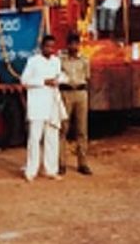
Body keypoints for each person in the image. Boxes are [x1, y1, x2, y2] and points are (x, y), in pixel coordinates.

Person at [21, 35, 67, 182]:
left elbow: (63, 77)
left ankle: (50, 170)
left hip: (52, 103)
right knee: (34, 139)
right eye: (47, 46)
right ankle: (31, 171)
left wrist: (58, 80)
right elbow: (24, 80)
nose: (50, 49)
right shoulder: (33, 61)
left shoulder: (56, 61)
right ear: (42, 47)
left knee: (52, 138)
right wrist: (43, 81)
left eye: (52, 47)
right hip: (37, 104)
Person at [59, 32, 92, 176]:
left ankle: (82, 163)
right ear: (67, 44)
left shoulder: (84, 60)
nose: (74, 46)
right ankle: (61, 163)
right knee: (63, 128)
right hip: (65, 93)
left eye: (76, 43)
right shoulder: (60, 59)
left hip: (81, 93)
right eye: (71, 43)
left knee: (82, 129)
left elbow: (87, 77)